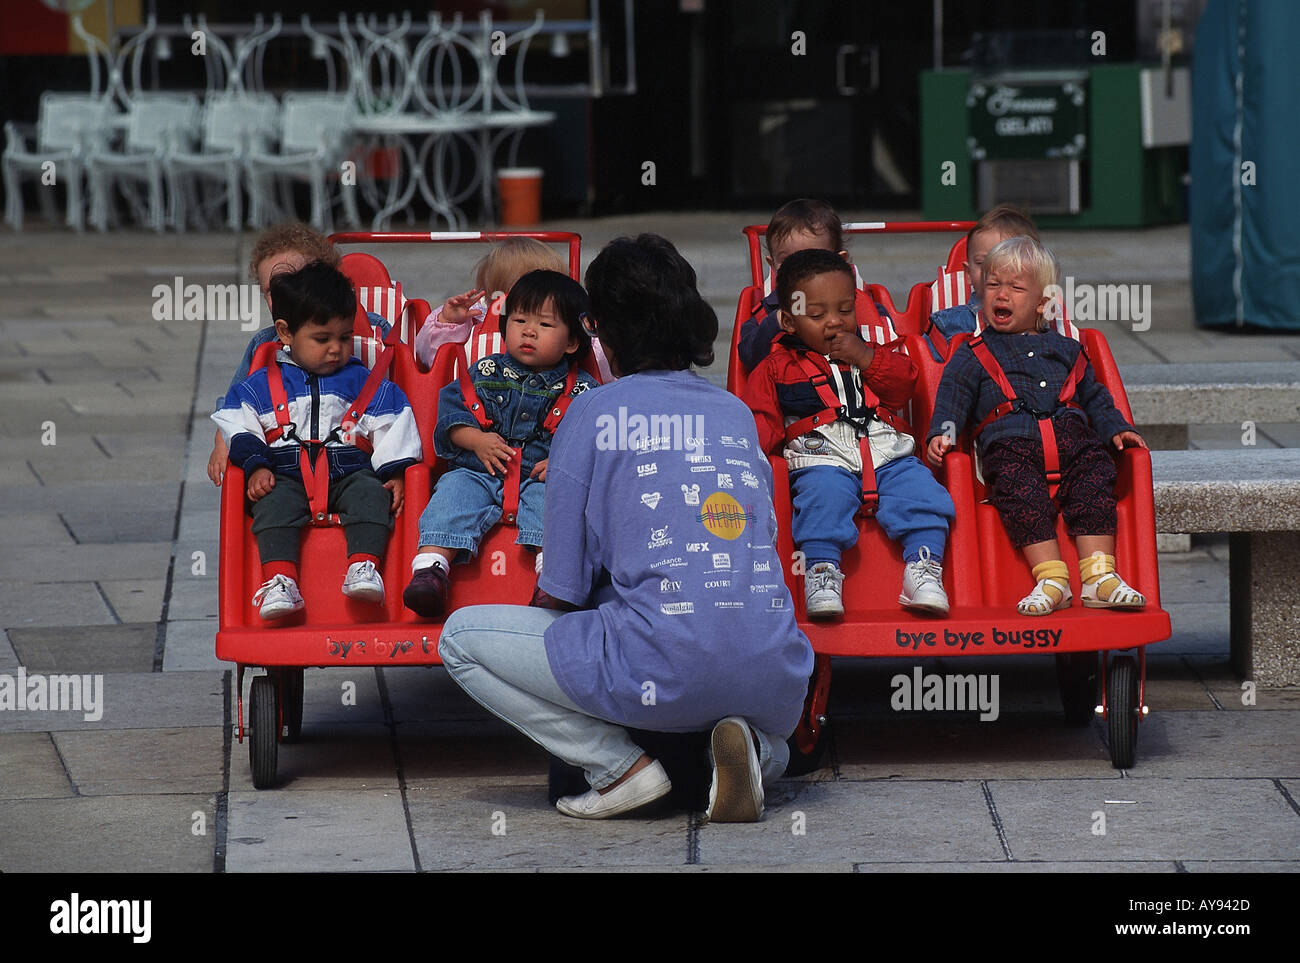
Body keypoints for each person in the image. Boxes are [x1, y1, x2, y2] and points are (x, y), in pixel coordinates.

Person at [437, 234, 814, 822]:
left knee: (459, 639)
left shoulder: (591, 412)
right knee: (770, 730)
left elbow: (562, 584)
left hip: (658, 669)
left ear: (600, 332)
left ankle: (618, 770)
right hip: (778, 672)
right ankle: (756, 751)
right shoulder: (735, 412)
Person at [926, 236, 1147, 616]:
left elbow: (1095, 396)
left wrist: (1117, 428)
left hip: (1074, 442)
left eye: (1016, 288)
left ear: (1043, 303)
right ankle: (1053, 579)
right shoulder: (973, 351)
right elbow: (953, 396)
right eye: (994, 285)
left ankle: (1099, 576)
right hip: (1011, 446)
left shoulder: (1068, 349)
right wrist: (942, 434)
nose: (1002, 295)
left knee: (1096, 478)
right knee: (1017, 492)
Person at [743, 249, 954, 618]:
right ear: (789, 323)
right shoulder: (776, 367)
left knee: (923, 492)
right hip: (820, 458)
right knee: (821, 498)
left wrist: (868, 359)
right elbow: (762, 421)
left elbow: (905, 385)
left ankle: (923, 567)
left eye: (844, 311)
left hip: (887, 453)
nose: (834, 323)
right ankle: (821, 571)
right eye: (817, 315)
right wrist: (760, 465)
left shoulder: (871, 352)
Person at [212, 262, 421, 619]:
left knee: (372, 495)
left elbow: (393, 418)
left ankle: (364, 565)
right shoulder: (261, 384)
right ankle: (280, 580)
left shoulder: (360, 380)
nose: (336, 349)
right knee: (271, 505)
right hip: (283, 470)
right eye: (322, 339)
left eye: (343, 338)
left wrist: (396, 469)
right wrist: (256, 464)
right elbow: (238, 423)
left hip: (349, 469)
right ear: (286, 333)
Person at [402, 270, 599, 617]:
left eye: (545, 325)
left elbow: (593, 439)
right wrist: (475, 439)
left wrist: (563, 463)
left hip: (540, 476)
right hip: (479, 469)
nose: (528, 331)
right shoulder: (485, 371)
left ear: (571, 342)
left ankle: (552, 583)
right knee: (452, 494)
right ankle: (431, 570)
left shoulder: (583, 390)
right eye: (519, 320)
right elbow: (451, 415)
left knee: (559, 506)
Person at [206, 222, 391, 486]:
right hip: (284, 460)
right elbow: (237, 400)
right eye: (271, 290)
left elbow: (399, 381)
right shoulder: (265, 343)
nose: (282, 295)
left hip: (351, 454)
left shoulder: (372, 329)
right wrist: (222, 440)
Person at [413, 237, 614, 382]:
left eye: (544, 321)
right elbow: (431, 358)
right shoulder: (472, 320)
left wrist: (592, 331)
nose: (528, 329)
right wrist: (448, 322)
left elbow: (601, 365)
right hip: (480, 407)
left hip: (553, 399)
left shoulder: (566, 323)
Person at [737, 198, 896, 372]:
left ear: (840, 261)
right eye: (787, 261)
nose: (801, 271)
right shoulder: (768, 312)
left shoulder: (864, 309)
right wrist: (777, 322)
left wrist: (863, 353)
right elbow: (747, 358)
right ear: (773, 265)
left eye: (815, 259)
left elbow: (893, 369)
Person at [929, 204, 1040, 340]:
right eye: (983, 264)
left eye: (1008, 264)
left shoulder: (1046, 322)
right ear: (969, 273)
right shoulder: (949, 325)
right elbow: (920, 358)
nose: (993, 273)